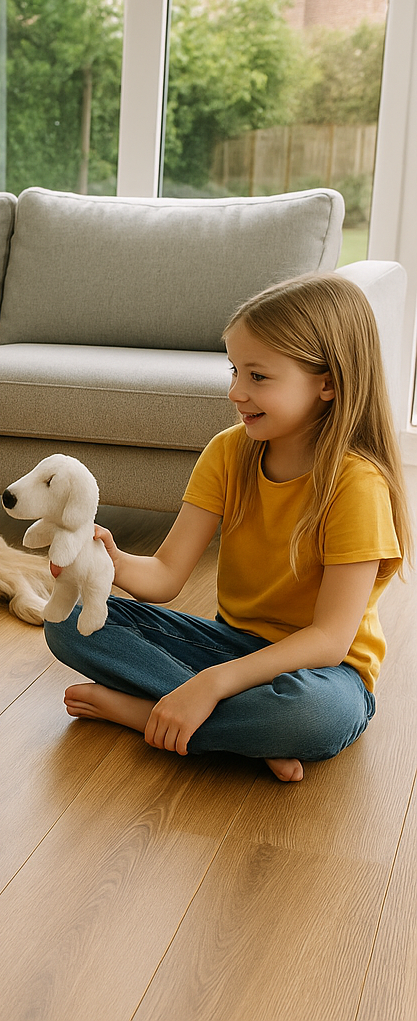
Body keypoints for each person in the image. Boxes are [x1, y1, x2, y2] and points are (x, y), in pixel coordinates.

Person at [44, 273, 412, 782]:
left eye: (258, 376)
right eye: (235, 370)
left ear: (327, 383)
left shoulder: (357, 484)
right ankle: (244, 733)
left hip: (325, 672)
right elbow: (166, 575)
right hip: (228, 644)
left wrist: (212, 684)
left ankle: (149, 714)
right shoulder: (226, 452)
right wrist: (113, 561)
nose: (237, 392)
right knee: (66, 621)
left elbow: (329, 639)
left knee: (312, 716)